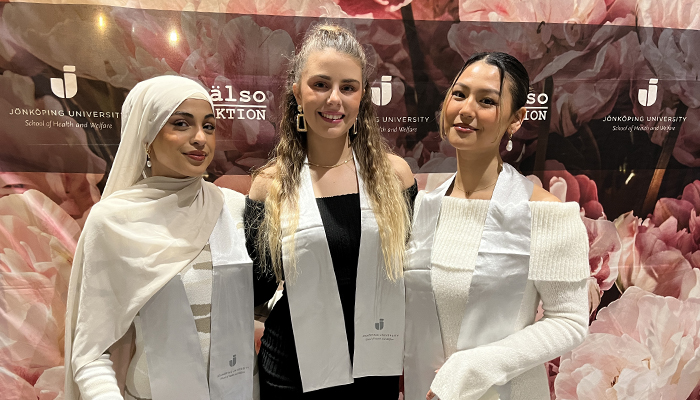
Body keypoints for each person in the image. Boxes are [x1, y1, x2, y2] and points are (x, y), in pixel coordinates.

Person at [403, 52, 590, 400]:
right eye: (460, 94)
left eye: (486, 101)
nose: (466, 109)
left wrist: (469, 369)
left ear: (516, 119)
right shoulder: (424, 208)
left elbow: (569, 321)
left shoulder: (545, 214)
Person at [245, 24, 417, 399]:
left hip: (375, 366)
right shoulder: (271, 185)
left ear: (362, 95)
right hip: (292, 371)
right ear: (297, 91)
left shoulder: (394, 177)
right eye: (321, 84)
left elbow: (414, 273)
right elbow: (256, 288)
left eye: (348, 87)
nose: (334, 99)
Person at [64, 75, 262, 400]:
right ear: (146, 136)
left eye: (208, 126)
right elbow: (91, 353)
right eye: (181, 124)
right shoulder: (114, 221)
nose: (200, 138)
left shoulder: (234, 207)